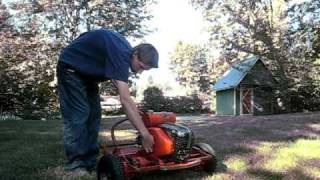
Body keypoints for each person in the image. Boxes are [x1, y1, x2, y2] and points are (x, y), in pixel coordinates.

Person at [56, 28, 158, 174]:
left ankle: (90, 162)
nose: (140, 72)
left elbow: (122, 90)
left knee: (94, 115)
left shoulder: (124, 54)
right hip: (71, 68)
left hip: (87, 74)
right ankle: (75, 164)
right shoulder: (121, 54)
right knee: (79, 114)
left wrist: (135, 112)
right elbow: (125, 100)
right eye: (141, 67)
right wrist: (145, 134)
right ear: (135, 54)